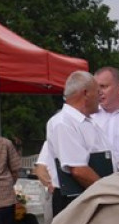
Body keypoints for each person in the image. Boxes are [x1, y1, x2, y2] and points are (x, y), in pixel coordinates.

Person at [46, 71, 110, 216]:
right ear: (86, 93)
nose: (100, 97)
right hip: (76, 200)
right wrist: (110, 193)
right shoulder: (63, 123)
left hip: (91, 195)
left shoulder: (88, 122)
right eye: (97, 92)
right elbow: (78, 170)